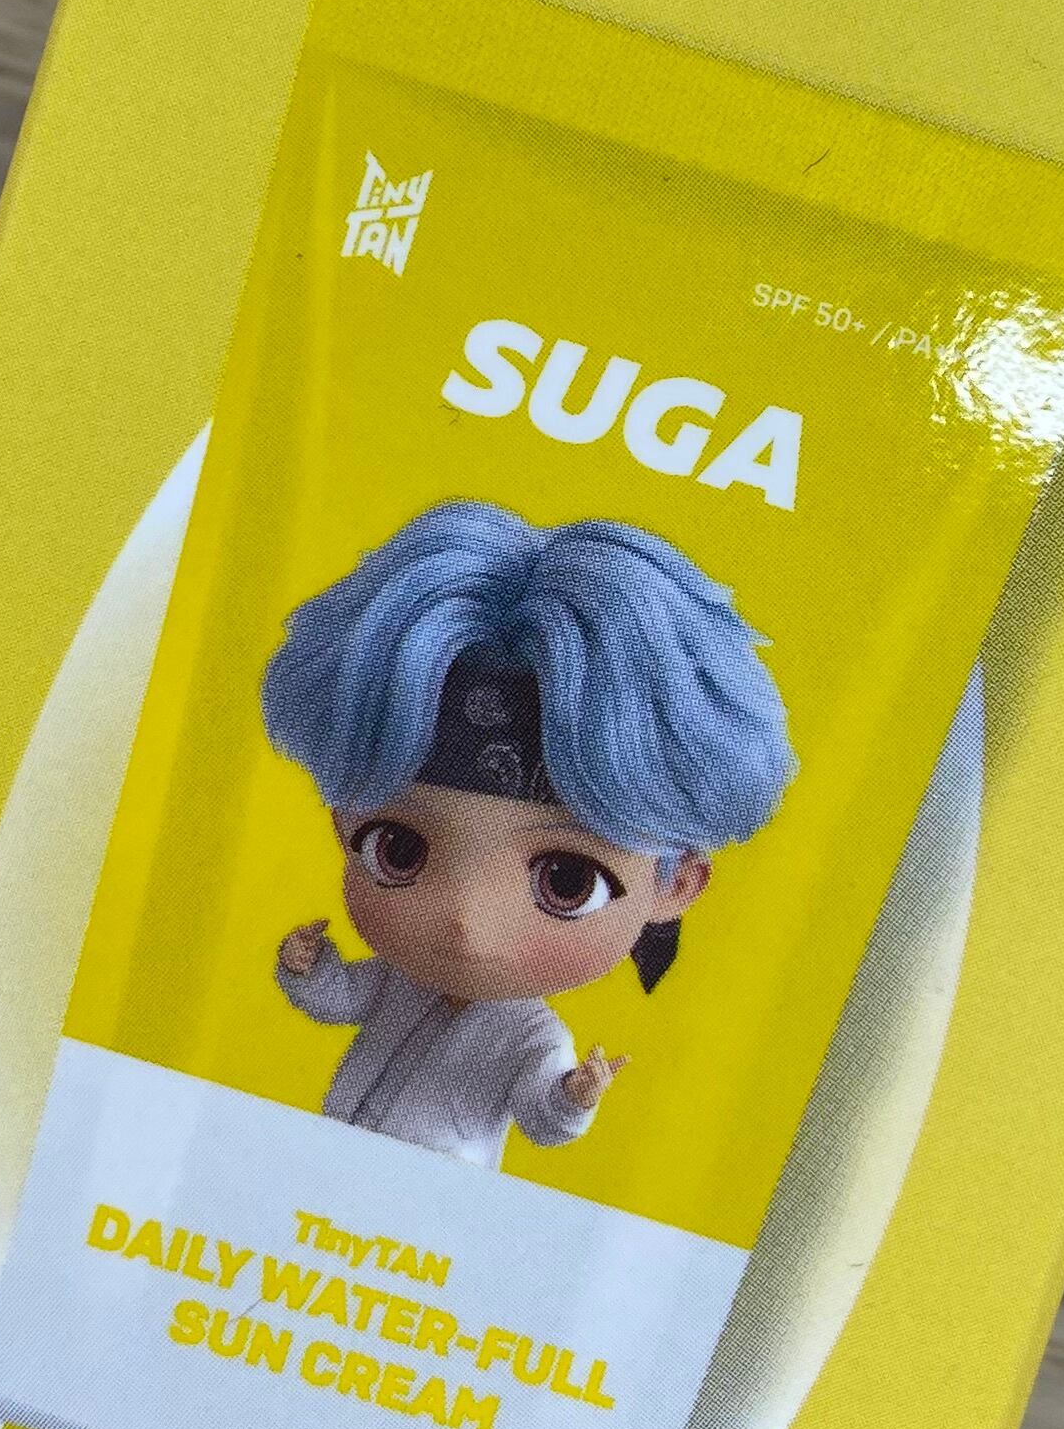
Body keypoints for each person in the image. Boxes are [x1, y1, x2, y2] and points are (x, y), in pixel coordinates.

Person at [261, 500, 795, 1169]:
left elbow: (541, 1115)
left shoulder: (532, 1035)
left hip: (435, 1193)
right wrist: (309, 970)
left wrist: (573, 1097)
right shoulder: (398, 985)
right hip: (332, 1144)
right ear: (344, 824)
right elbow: (343, 999)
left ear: (676, 885)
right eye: (398, 848)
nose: (465, 921)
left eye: (566, 882)